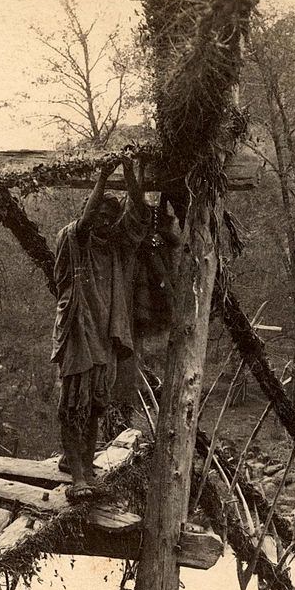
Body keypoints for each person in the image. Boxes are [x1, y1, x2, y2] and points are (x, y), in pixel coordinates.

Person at [52, 158, 172, 500]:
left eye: (109, 216)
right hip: (78, 332)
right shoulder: (74, 238)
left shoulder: (117, 248)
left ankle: (86, 469)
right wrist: (104, 176)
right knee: (73, 405)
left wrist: (131, 173)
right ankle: (77, 475)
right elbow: (86, 220)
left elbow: (139, 215)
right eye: (99, 214)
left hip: (105, 336)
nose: (103, 220)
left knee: (94, 407)